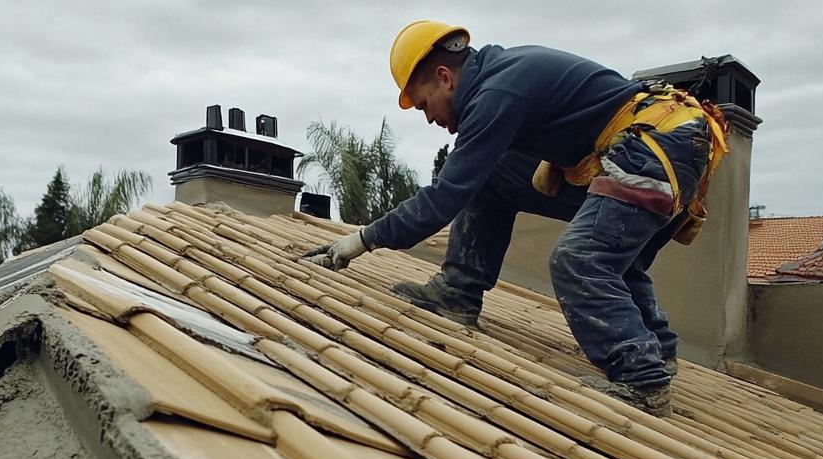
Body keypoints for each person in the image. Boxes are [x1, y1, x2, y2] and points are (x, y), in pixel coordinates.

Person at [304, 21, 727, 417]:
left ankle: (642, 382)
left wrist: (358, 242)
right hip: (661, 146)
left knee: (583, 259)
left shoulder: (497, 92)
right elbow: (471, 182)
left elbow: (444, 196)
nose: (430, 117)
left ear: (445, 77)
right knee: (590, 237)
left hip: (655, 148)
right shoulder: (501, 78)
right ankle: (459, 293)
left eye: (423, 104)